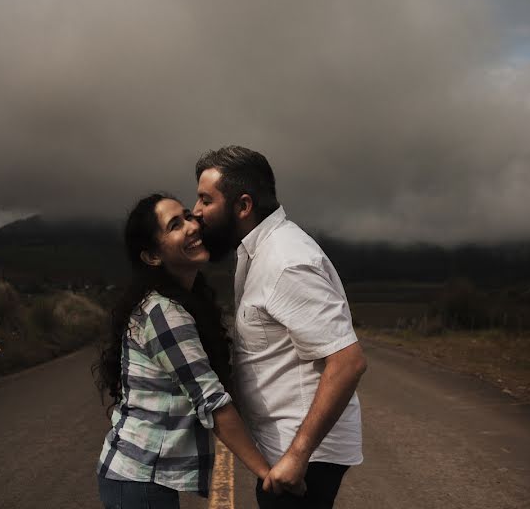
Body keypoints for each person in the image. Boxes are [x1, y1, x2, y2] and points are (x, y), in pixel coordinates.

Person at [193, 146, 367, 509]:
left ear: (243, 206)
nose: (196, 212)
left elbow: (347, 362)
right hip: (284, 450)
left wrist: (298, 455)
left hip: (304, 458)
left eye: (205, 200)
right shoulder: (257, 253)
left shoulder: (286, 261)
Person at [95, 193, 277, 509]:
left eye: (187, 216)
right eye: (175, 225)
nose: (192, 226)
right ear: (152, 256)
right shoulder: (163, 312)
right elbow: (212, 400)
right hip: (139, 481)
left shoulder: (183, 302)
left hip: (139, 480)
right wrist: (267, 473)